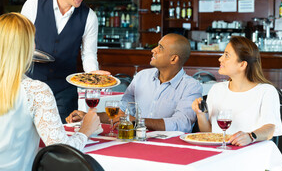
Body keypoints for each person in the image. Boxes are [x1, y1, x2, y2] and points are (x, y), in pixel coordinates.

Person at [0, 13, 100, 171]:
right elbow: (64, 154)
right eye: (33, 41)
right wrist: (85, 130)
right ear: (27, 47)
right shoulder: (34, 90)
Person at [21, 0, 108, 123]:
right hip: (30, 87)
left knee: (61, 143)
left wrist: (93, 76)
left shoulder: (89, 16)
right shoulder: (33, 5)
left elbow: (88, 54)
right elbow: (20, 45)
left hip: (64, 92)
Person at [67, 33, 203, 133]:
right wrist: (88, 117)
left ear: (173, 59)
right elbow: (121, 112)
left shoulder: (191, 86)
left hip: (170, 148)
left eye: (160, 48)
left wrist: (138, 121)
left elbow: (182, 124)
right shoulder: (142, 76)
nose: (153, 50)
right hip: (136, 139)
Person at [192, 36, 282, 146]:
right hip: (220, 153)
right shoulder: (217, 89)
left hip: (252, 153)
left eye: (226, 55)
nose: (220, 59)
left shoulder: (266, 91)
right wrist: (200, 114)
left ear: (242, 64)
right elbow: (208, 132)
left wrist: (250, 137)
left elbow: (270, 128)